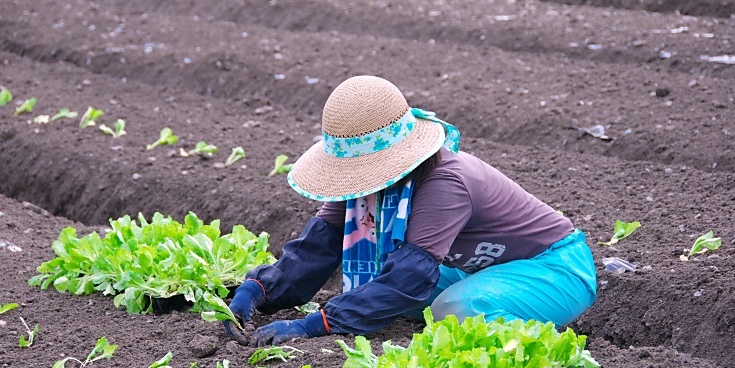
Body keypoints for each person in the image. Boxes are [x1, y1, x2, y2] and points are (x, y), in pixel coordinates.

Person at [226, 75, 597, 347]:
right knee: (386, 295)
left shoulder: (444, 182)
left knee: (453, 311)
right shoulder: (362, 186)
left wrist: (318, 324)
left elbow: (408, 278)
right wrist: (260, 289)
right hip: (484, 267)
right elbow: (319, 246)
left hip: (554, 268)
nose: (357, 180)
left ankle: (539, 347)